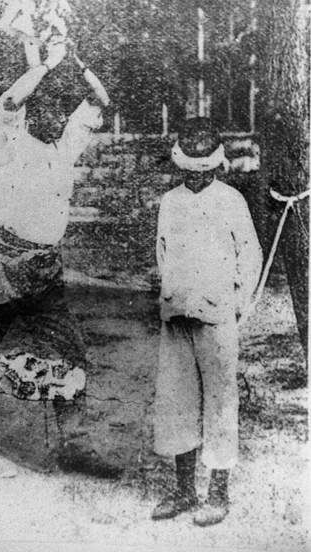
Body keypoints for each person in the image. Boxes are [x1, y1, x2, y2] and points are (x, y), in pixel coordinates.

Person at [0, 36, 110, 398]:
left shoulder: (64, 148)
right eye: (48, 112)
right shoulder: (9, 143)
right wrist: (47, 64)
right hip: (4, 261)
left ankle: (69, 407)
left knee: (68, 348)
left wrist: (76, 61)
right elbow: (11, 101)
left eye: (61, 113)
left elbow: (101, 99)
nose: (58, 118)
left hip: (45, 266)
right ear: (30, 117)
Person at [152, 118, 263, 526]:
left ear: (216, 164)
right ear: (180, 163)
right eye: (190, 169)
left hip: (217, 318)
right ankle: (184, 490)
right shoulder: (170, 202)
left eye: (204, 169)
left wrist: (235, 306)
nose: (196, 176)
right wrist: (174, 292)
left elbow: (249, 257)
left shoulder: (231, 201)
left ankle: (218, 493)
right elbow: (163, 252)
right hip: (177, 316)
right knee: (177, 401)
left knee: (220, 402)